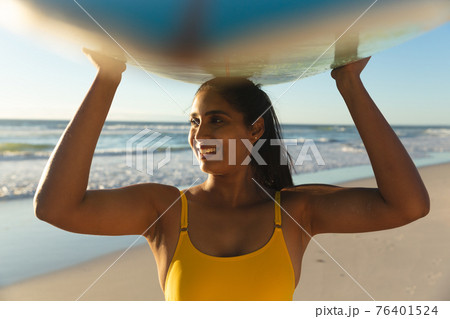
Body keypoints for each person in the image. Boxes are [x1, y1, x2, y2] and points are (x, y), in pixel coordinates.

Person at [34, 49, 430, 301]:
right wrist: (107, 77)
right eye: (193, 122)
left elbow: (408, 205)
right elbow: (55, 208)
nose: (199, 135)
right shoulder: (166, 210)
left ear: (254, 130)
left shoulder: (295, 212)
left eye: (216, 120)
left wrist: (349, 84)